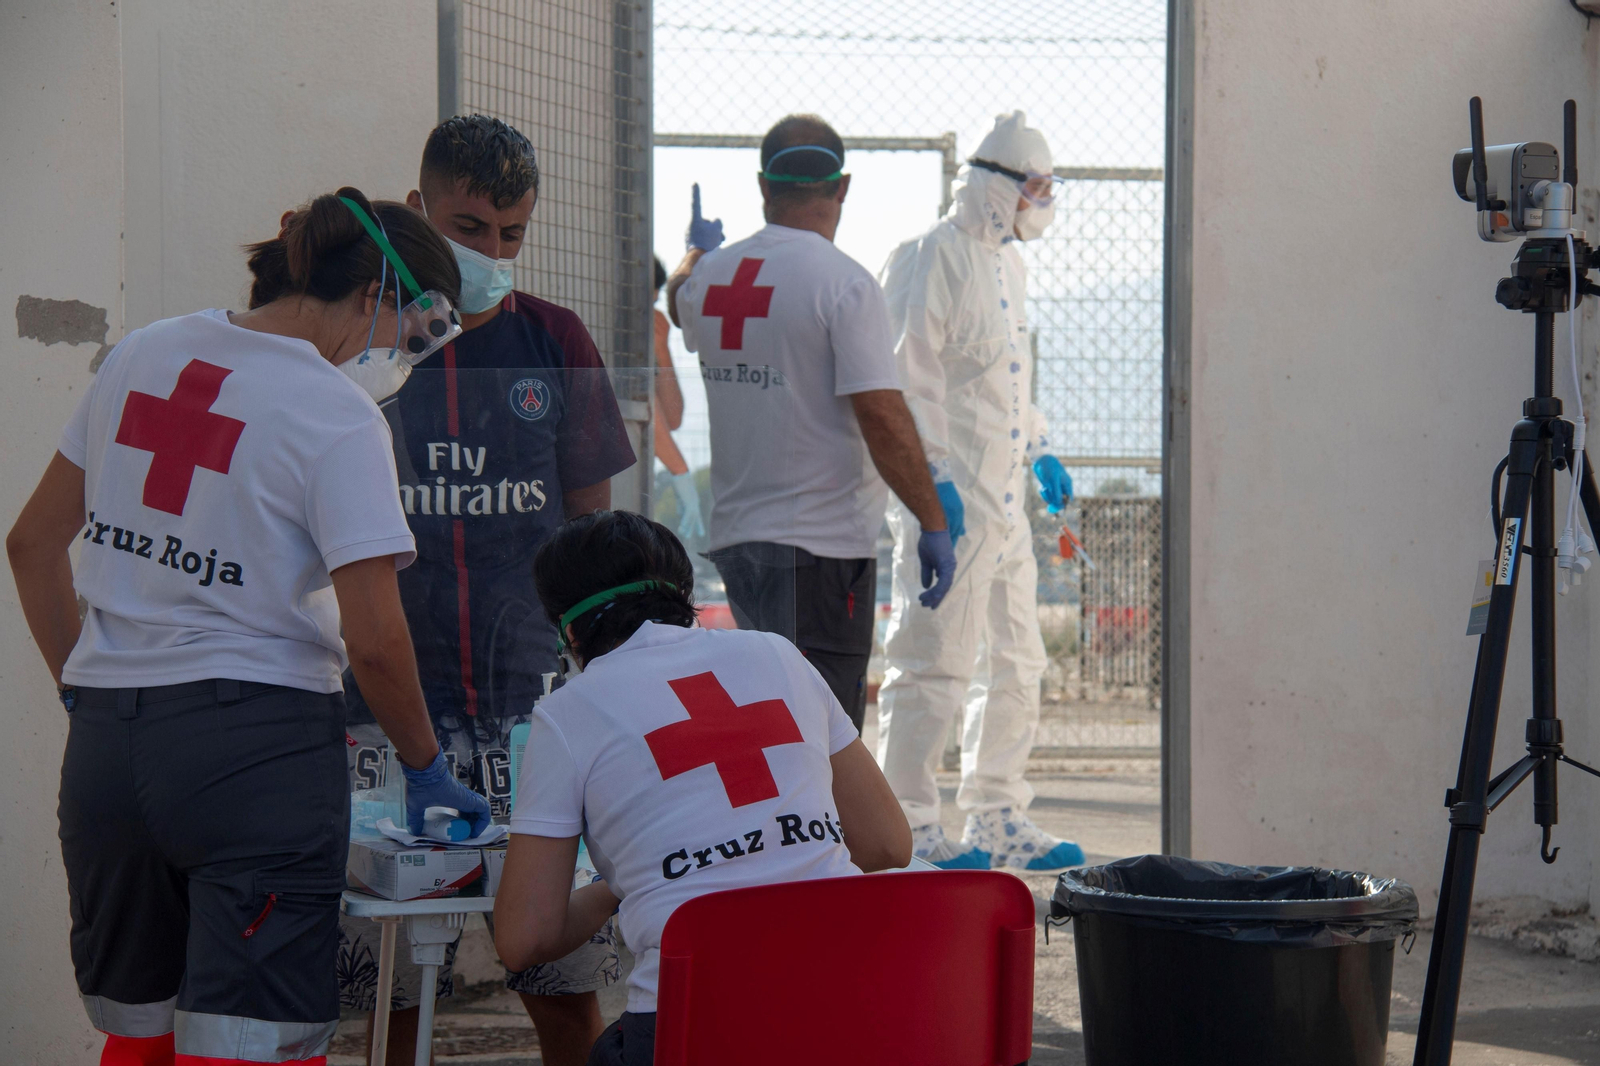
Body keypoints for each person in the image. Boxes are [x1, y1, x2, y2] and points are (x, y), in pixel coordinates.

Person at [7, 187, 489, 1066]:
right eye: (416, 327)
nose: (402, 353)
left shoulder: (143, 353)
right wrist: (424, 768)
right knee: (248, 1043)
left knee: (139, 1031)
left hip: (110, 755)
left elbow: (32, 543)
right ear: (376, 293)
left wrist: (84, 690)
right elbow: (376, 641)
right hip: (253, 755)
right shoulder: (336, 414)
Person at [337, 115, 636, 1066]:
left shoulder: (555, 342)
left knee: (560, 983)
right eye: (469, 229)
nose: (491, 253)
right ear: (418, 211)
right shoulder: (359, 350)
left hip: (530, 719)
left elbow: (596, 540)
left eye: (512, 234)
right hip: (383, 712)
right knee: (390, 988)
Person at [492, 511, 912, 1066]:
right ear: (684, 595)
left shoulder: (567, 713)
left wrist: (623, 886)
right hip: (846, 1009)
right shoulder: (778, 655)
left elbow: (524, 938)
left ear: (569, 631)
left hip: (694, 1028)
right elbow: (886, 845)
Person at [666, 113, 959, 734]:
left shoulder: (715, 277)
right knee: (823, 739)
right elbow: (880, 413)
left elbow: (680, 299)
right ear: (842, 188)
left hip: (740, 544)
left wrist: (695, 252)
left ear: (762, 186)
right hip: (822, 553)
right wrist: (932, 518)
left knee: (767, 725)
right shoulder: (845, 285)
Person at [875, 111, 1085, 872]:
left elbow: (1005, 381)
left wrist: (1040, 448)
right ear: (996, 187)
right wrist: (929, 483)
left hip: (1004, 507)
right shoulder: (928, 259)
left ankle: (996, 812)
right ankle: (909, 827)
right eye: (1036, 186)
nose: (1043, 199)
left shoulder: (1009, 266)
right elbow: (907, 382)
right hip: (948, 505)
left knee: (1015, 662)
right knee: (931, 662)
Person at [651, 255, 704, 541]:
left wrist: (661, 347)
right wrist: (682, 474)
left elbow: (672, 416)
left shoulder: (646, 340)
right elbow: (649, 415)